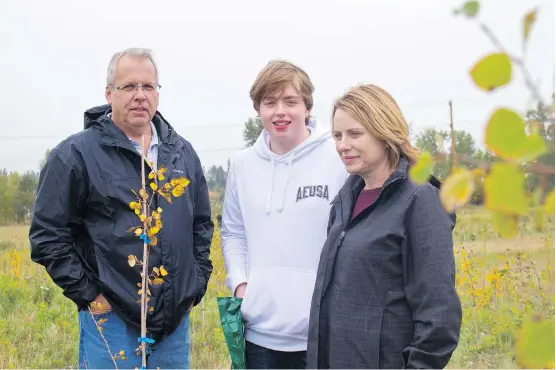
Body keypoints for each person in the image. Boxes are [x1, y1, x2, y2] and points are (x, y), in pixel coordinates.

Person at [29, 48, 213, 369]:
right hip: (111, 321)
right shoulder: (75, 155)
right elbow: (47, 236)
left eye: (148, 87)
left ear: (158, 93)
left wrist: (194, 287)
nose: (140, 96)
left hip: (173, 323)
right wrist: (90, 297)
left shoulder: (181, 153)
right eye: (129, 87)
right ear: (109, 93)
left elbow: (201, 225)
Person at [307, 84, 462, 369]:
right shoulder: (346, 197)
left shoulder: (420, 200)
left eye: (355, 134)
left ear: (384, 131)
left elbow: (439, 318)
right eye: (338, 136)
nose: (343, 145)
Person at [220, 60, 347, 369]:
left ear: (307, 107)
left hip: (323, 332)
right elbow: (233, 232)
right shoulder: (242, 165)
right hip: (260, 336)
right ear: (258, 109)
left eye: (290, 101)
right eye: (269, 102)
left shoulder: (339, 157)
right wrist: (241, 285)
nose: (280, 111)